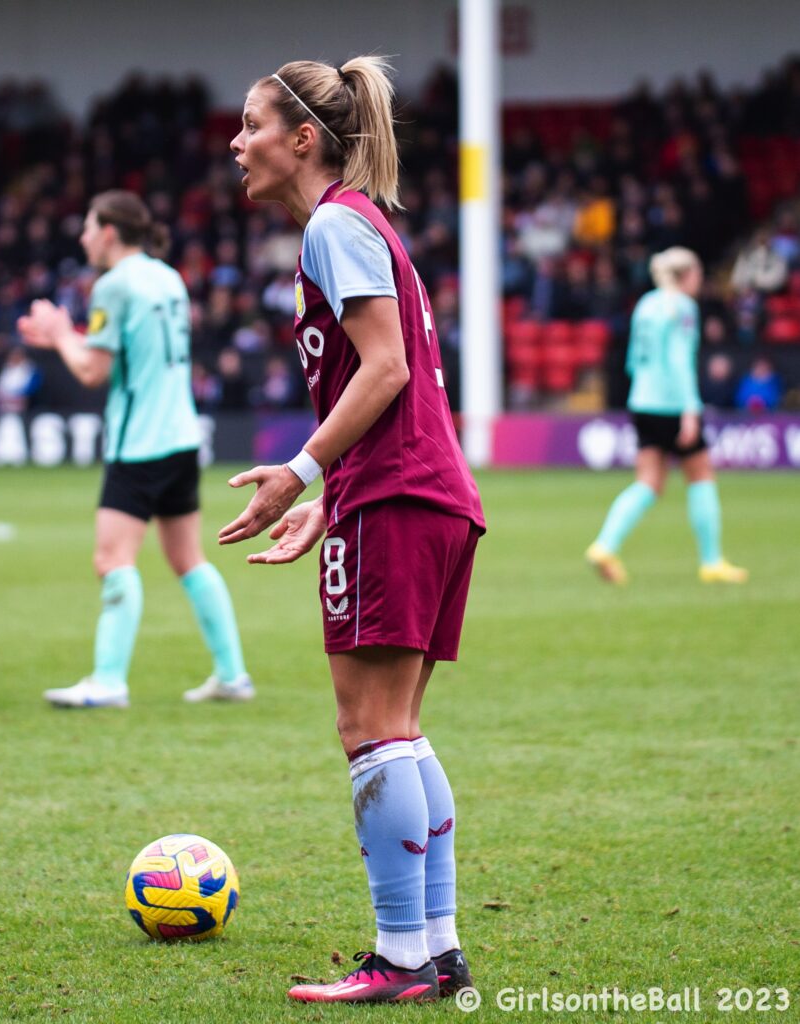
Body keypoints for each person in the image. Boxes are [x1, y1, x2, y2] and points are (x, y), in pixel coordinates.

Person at [221, 57, 486, 1003]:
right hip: (422, 493)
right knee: (400, 730)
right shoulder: (361, 226)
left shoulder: (335, 224)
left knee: (368, 730)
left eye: (249, 124)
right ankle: (437, 948)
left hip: (400, 499)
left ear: (301, 138)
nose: (234, 143)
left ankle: (399, 954)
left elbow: (384, 373)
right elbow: (389, 386)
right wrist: (324, 502)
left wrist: (300, 471)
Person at [18, 190, 252, 707]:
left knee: (112, 558)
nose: (81, 236)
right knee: (189, 558)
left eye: (86, 225)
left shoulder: (113, 285)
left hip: (138, 442)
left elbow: (91, 371)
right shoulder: (166, 276)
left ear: (107, 232)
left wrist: (61, 335)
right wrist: (71, 337)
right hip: (182, 438)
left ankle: (108, 680)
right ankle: (232, 674)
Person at [586, 247, 747, 584]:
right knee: (701, 475)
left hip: (642, 399)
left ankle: (604, 544)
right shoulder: (682, 307)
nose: (700, 281)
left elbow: (634, 357)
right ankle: (712, 561)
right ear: (687, 275)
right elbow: (678, 360)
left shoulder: (646, 304)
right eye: (698, 274)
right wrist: (691, 408)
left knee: (648, 482)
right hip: (672, 403)